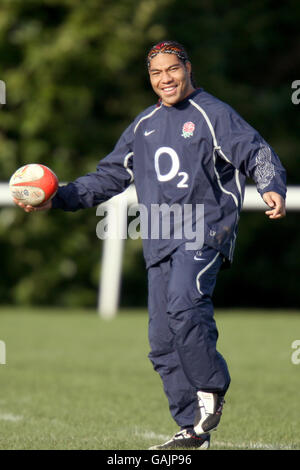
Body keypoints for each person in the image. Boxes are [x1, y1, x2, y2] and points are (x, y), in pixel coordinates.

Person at [15, 41, 287, 450]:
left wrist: (271, 186)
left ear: (188, 69)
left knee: (184, 303)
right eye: (157, 74)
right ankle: (192, 430)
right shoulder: (143, 125)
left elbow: (256, 151)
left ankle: (211, 390)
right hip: (158, 238)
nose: (166, 79)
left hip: (203, 229)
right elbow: (107, 178)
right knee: (161, 343)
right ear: (150, 79)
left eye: (172, 70)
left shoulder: (212, 114)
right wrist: (60, 197)